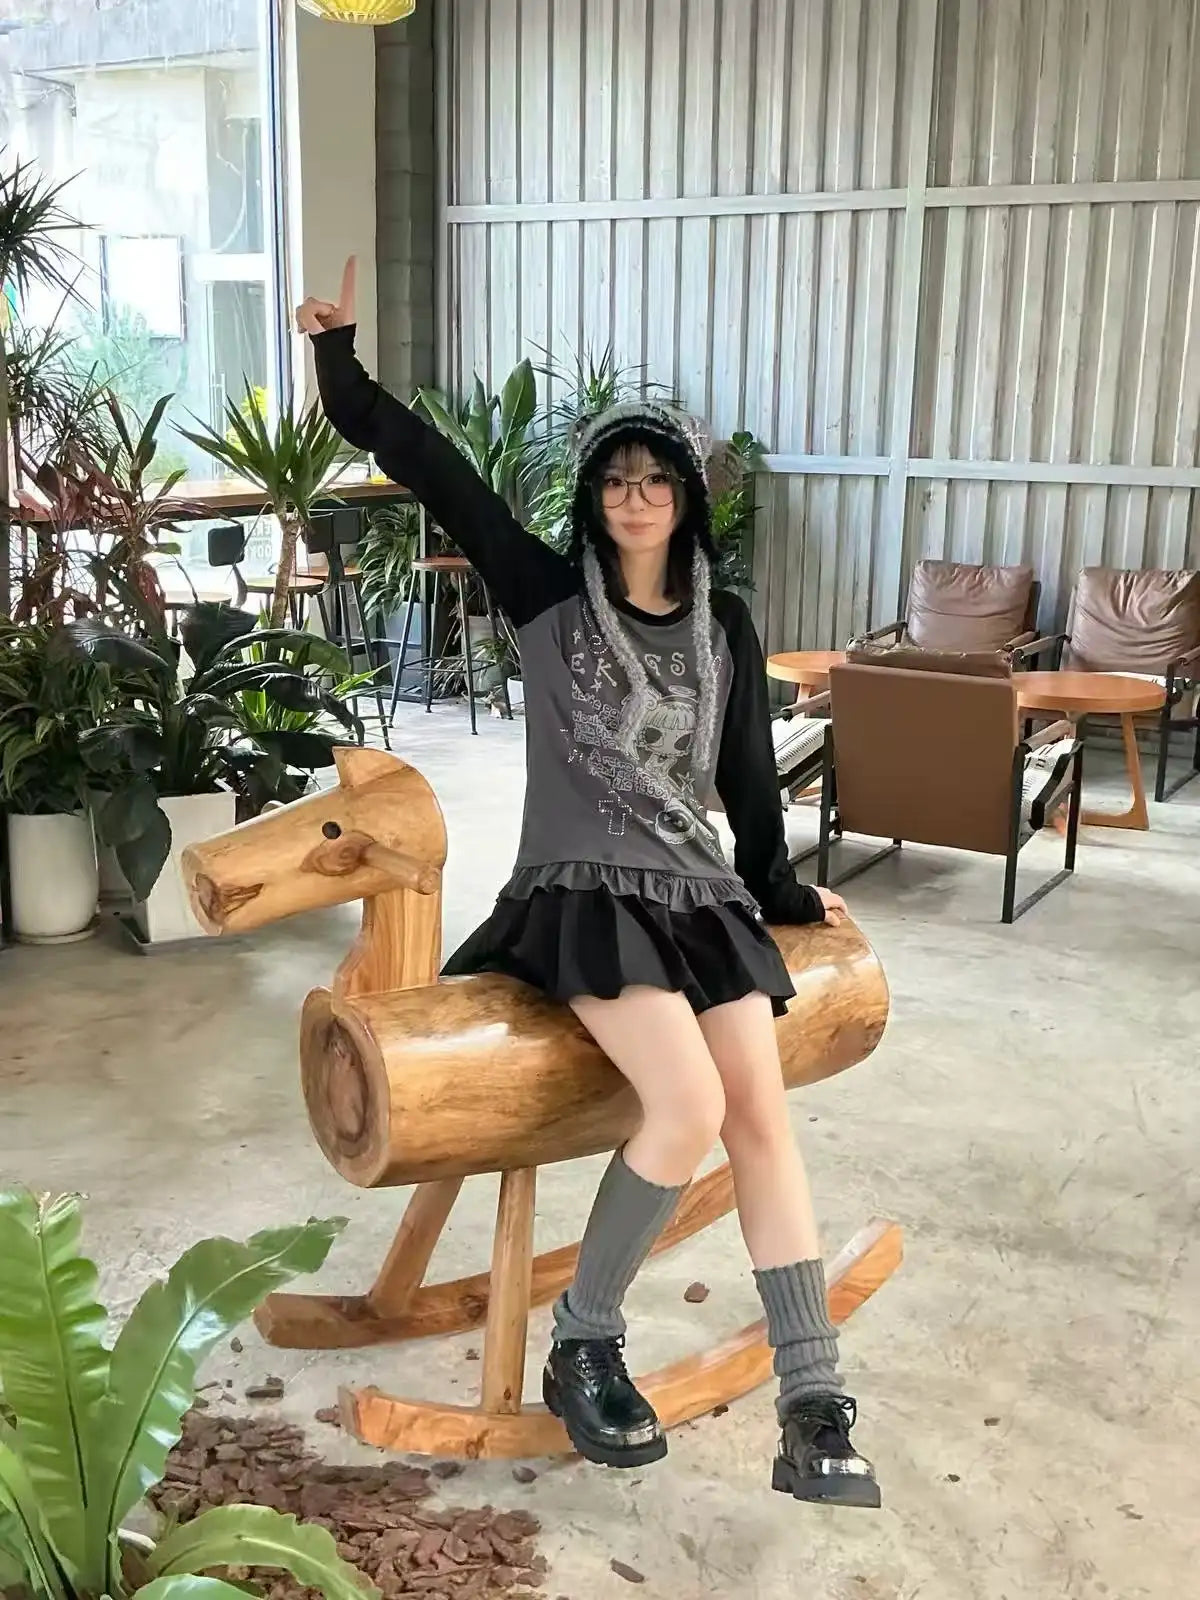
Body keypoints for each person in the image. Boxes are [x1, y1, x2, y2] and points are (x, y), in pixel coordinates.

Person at [296, 258, 880, 1510]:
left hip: (699, 902)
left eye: (655, 480)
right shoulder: (548, 594)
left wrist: (785, 893)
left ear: (685, 499)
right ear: (595, 498)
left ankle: (812, 1395)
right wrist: (340, 363)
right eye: (616, 481)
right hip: (587, 898)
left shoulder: (725, 626)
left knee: (760, 1117)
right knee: (684, 1104)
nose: (635, 498)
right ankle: (587, 1340)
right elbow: (435, 469)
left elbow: (748, 783)